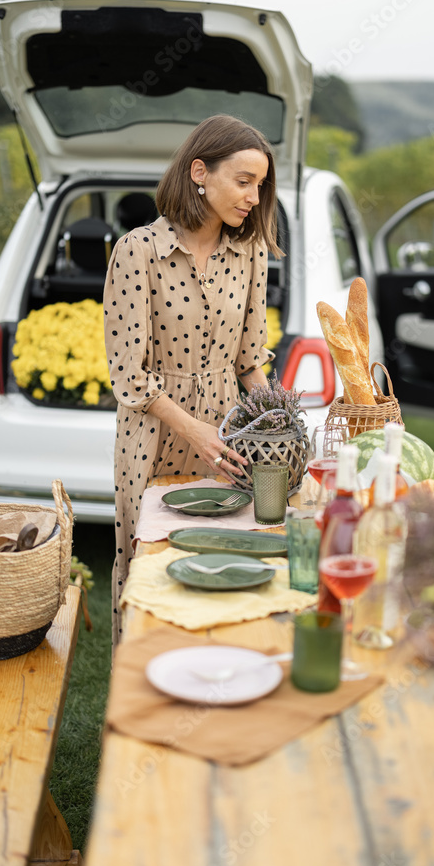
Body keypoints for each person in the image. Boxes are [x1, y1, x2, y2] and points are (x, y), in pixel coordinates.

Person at [103, 114, 282, 643]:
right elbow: (129, 374)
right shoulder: (137, 251)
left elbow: (250, 360)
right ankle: (135, 702)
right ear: (199, 171)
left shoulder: (249, 252)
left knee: (221, 555)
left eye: (261, 185)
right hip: (153, 434)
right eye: (243, 181)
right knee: (149, 563)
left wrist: (280, 424)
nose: (253, 197)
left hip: (227, 431)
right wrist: (193, 430)